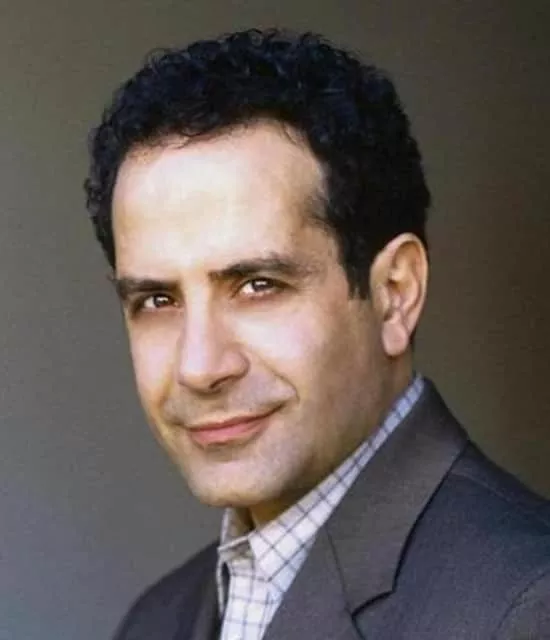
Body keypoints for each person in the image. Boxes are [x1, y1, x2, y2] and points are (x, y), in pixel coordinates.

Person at [84, 28, 550, 640]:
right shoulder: (155, 621)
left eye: (258, 285)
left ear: (395, 294)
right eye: (157, 300)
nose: (200, 366)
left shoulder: (526, 608)